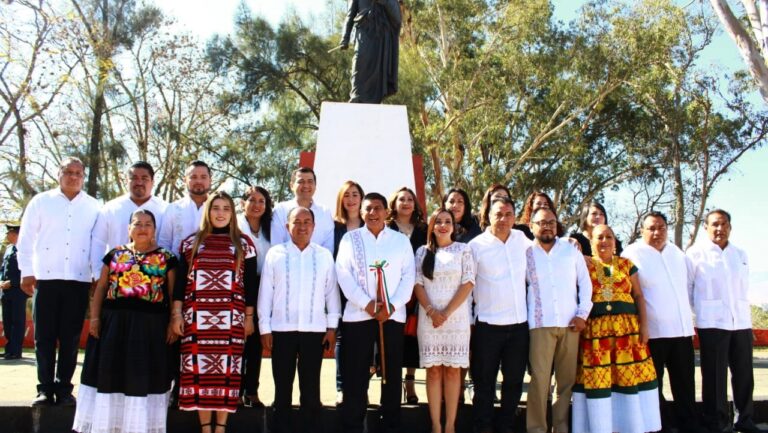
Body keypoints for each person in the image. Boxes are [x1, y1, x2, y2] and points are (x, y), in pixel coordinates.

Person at [72, 209, 177, 433]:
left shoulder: (167, 258)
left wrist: (171, 324)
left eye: (148, 224)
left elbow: (171, 295)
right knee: (110, 375)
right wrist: (95, 318)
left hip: (150, 328)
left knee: (143, 376)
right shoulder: (115, 254)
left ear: (154, 230)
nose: (142, 228)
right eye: (137, 224)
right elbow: (101, 288)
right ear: (129, 229)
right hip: (113, 326)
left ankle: (139, 426)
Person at [170, 191, 258, 433]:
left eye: (226, 209)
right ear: (208, 212)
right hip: (196, 320)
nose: (220, 213)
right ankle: (205, 428)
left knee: (226, 374)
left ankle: (220, 428)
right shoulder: (191, 243)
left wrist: (249, 319)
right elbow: (179, 284)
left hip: (231, 321)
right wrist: (176, 315)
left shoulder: (244, 244)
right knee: (199, 373)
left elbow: (251, 285)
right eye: (216, 208)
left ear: (232, 213)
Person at [17, 156, 100, 406]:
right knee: (44, 337)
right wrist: (26, 271)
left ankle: (64, 388)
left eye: (78, 173)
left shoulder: (94, 206)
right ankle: (44, 388)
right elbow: (26, 238)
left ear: (83, 177)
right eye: (68, 171)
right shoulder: (41, 202)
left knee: (71, 337)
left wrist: (97, 275)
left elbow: (98, 244)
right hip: (47, 279)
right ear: (58, 174)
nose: (73, 176)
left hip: (78, 280)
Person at [336, 192, 415, 433]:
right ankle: (352, 426)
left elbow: (408, 276)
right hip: (358, 316)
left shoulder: (400, 241)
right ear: (361, 212)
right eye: (368, 208)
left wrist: (391, 306)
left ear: (386, 212)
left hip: (392, 317)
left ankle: (390, 425)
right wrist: (367, 304)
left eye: (378, 208)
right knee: (356, 374)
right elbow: (343, 274)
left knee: (390, 374)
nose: (373, 213)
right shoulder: (350, 239)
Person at [258, 206, 341, 433]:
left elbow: (331, 293)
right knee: (282, 391)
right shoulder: (276, 254)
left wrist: (332, 327)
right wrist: (265, 328)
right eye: (297, 222)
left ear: (314, 227)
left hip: (314, 331)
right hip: (281, 331)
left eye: (307, 222)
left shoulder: (323, 256)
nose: (302, 226)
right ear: (288, 226)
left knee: (311, 391)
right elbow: (265, 293)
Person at [572, 224, 661, 433]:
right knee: (598, 381)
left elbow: (638, 295)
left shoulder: (627, 265)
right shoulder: (583, 264)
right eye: (599, 237)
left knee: (628, 378)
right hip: (596, 335)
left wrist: (644, 326)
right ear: (591, 242)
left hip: (627, 335)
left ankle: (630, 426)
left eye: (608, 237)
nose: (604, 241)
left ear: (615, 241)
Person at [621, 211, 702, 433]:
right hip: (652, 333)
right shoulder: (631, 254)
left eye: (661, 228)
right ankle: (661, 426)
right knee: (652, 385)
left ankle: (688, 425)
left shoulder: (677, 253)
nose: (657, 232)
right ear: (642, 231)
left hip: (681, 331)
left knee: (685, 384)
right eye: (652, 228)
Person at [688, 210, 764, 433]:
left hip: (740, 321)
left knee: (743, 373)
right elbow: (688, 289)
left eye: (724, 224)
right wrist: (704, 311)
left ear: (730, 227)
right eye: (714, 224)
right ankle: (716, 421)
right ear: (705, 227)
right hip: (712, 323)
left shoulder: (740, 253)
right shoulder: (695, 254)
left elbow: (743, 287)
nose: (719, 229)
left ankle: (745, 419)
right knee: (714, 376)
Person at [525, 208, 593, 433]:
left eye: (551, 222)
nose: (547, 226)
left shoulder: (570, 250)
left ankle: (561, 427)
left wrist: (583, 314)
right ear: (531, 225)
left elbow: (585, 283)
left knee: (565, 383)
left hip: (571, 324)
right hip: (540, 325)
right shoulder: (525, 252)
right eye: (541, 222)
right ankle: (536, 428)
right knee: (540, 381)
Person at [468, 197, 531, 433]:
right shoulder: (476, 246)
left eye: (508, 214)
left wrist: (572, 243)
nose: (503, 219)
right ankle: (482, 428)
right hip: (487, 326)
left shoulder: (523, 240)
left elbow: (548, 249)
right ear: (488, 216)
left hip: (518, 327)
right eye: (498, 214)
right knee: (484, 384)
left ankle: (506, 427)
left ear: (515, 217)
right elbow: (467, 288)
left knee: (514, 383)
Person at [413, 208, 475, 433]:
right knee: (433, 370)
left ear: (454, 226)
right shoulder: (422, 252)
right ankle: (435, 425)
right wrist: (431, 311)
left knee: (452, 370)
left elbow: (468, 283)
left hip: (456, 320)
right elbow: (417, 283)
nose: (442, 225)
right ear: (432, 225)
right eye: (438, 221)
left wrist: (446, 313)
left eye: (447, 221)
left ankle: (450, 425)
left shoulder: (464, 250)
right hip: (429, 320)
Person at [91, 161, 167, 279]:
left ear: (152, 182)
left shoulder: (165, 209)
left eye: (144, 178)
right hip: (116, 277)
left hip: (155, 278)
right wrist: (97, 275)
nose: (139, 182)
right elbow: (98, 242)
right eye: (134, 178)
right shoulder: (111, 208)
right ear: (127, 181)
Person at [386, 186, 427, 404]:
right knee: (391, 339)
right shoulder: (386, 228)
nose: (406, 202)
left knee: (412, 337)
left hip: (417, 290)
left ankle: (410, 381)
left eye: (410, 199)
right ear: (393, 204)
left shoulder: (423, 229)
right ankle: (388, 383)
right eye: (401, 199)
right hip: (391, 291)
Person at [237, 185, 274, 408]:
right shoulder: (236, 225)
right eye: (252, 200)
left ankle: (252, 391)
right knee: (238, 339)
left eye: (262, 201)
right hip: (238, 286)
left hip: (265, 287)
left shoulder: (271, 228)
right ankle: (236, 389)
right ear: (243, 203)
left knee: (256, 342)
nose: (257, 205)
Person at [332, 180, 365, 406]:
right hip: (340, 288)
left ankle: (362, 388)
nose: (351, 199)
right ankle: (342, 386)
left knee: (365, 342)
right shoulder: (334, 227)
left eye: (355, 195)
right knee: (342, 338)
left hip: (367, 290)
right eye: (347, 195)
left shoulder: (371, 223)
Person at [339, 0, 402, 104]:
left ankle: (376, 99)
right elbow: (350, 15)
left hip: (381, 35)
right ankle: (356, 94)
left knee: (378, 68)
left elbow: (397, 18)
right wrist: (345, 38)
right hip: (364, 30)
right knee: (360, 60)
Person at [271, 167, 334, 253]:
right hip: (286, 264)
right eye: (301, 182)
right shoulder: (280, 210)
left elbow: (328, 248)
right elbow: (276, 245)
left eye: (310, 181)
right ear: (291, 185)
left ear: (315, 186)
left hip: (317, 265)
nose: (306, 185)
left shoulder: (325, 212)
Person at [158, 160, 212, 257]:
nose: (199, 181)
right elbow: (164, 243)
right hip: (178, 268)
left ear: (210, 180)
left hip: (212, 269)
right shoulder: (173, 208)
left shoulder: (220, 209)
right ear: (185, 180)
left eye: (203, 177)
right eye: (193, 177)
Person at [1, 224, 26, 360]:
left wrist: (12, 282)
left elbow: (25, 270)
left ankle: (16, 350)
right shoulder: (9, 249)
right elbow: (3, 269)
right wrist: (1, 281)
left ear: (16, 234)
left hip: (18, 291)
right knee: (7, 321)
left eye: (9, 233)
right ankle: (9, 348)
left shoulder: (24, 249)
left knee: (17, 321)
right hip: (6, 291)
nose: (6, 235)